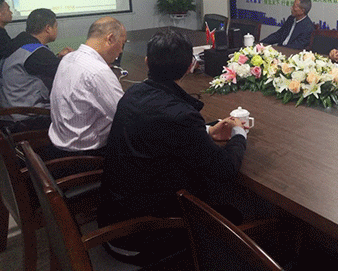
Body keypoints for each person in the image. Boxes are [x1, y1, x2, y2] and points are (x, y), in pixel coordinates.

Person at [98, 30, 247, 264]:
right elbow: (224, 170)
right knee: (236, 211)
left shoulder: (133, 93)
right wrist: (239, 132)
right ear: (190, 66)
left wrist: (207, 130)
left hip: (113, 217)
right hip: (142, 235)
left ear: (147, 62)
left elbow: (159, 133)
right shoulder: (181, 115)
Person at [47, 17, 126, 157]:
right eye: (122, 43)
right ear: (110, 38)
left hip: (59, 143)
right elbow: (125, 116)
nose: (120, 51)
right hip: (85, 155)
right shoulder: (98, 71)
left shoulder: (68, 58)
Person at [0, 8, 72, 132]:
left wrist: (57, 58)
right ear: (48, 28)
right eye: (56, 26)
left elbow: (40, 65)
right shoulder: (37, 52)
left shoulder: (21, 44)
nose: (57, 30)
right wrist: (74, 58)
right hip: (24, 119)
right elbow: (69, 74)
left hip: (6, 114)